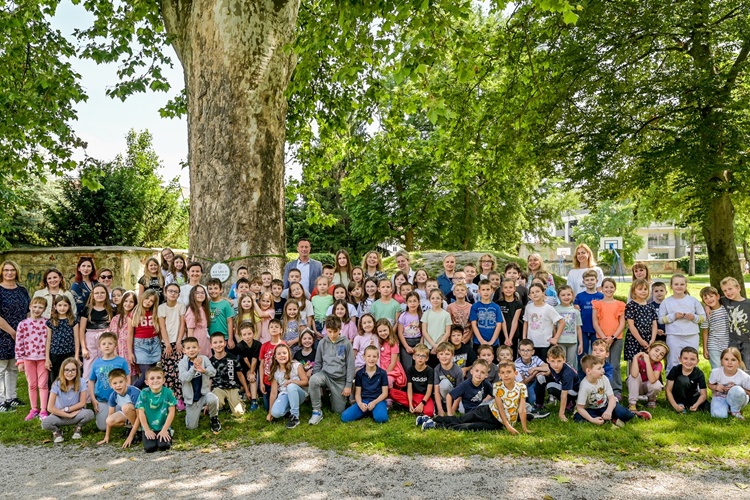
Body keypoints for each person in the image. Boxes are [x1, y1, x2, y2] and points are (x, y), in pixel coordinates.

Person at [420, 361, 531, 433]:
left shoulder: (519, 387)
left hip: (497, 422)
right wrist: (450, 411)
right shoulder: (497, 386)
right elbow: (499, 404)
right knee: (460, 419)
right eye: (477, 371)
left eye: (482, 372)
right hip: (486, 411)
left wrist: (524, 427)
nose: (479, 374)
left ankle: (434, 425)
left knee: (469, 426)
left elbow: (513, 404)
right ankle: (433, 420)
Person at [575, 354, 651, 426]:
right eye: (599, 368)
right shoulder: (584, 386)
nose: (603, 370)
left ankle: (635, 415)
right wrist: (592, 419)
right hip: (592, 409)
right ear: (588, 371)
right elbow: (580, 408)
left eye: (602, 367)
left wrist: (608, 411)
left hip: (607, 405)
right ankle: (611, 419)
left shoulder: (604, 379)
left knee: (623, 414)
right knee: (578, 417)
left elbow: (611, 398)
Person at [308, 316, 355, 424]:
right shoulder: (322, 343)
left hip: (339, 379)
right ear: (326, 329)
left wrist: (348, 385)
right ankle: (316, 411)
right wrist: (316, 382)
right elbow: (318, 362)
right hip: (325, 375)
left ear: (340, 329)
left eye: (335, 331)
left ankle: (333, 396)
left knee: (338, 411)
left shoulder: (346, 343)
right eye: (329, 332)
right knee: (314, 380)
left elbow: (351, 365)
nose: (332, 335)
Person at [0, 259, 30, 411]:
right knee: (1, 367)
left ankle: (11, 397)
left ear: (16, 271)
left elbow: (28, 311)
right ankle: (1, 400)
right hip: (3, 333)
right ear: (2, 272)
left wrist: (26, 331)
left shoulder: (22, 290)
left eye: (12, 270)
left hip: (21, 334)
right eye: (6, 270)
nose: (9, 273)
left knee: (13, 367)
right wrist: (12, 332)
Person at [658, 274, 705, 371]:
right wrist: (673, 316)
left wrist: (693, 317)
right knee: (673, 361)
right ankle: (672, 383)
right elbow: (660, 319)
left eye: (682, 284)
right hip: (674, 336)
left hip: (692, 336)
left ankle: (691, 383)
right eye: (676, 284)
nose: (679, 286)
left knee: (691, 361)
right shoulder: (667, 302)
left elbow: (703, 317)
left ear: (686, 285)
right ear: (671, 286)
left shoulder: (693, 301)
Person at [43, 359, 95, 443]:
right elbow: (50, 407)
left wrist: (68, 410)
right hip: (60, 415)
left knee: (89, 414)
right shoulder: (57, 384)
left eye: (73, 370)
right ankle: (57, 432)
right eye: (66, 370)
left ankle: (78, 427)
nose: (70, 373)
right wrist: (67, 415)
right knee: (45, 423)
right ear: (62, 371)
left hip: (75, 414)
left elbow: (82, 403)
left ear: (77, 371)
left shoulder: (81, 382)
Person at [15, 296, 49, 420]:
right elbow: (19, 342)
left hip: (43, 358)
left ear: (44, 309)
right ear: (30, 307)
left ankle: (44, 410)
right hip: (28, 358)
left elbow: (49, 342)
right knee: (32, 385)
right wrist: (20, 361)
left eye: (40, 307)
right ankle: (34, 409)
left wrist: (48, 358)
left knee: (43, 384)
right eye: (35, 306)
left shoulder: (47, 323)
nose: (37, 309)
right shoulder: (23, 324)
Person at [88, 332, 130, 431]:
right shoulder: (97, 363)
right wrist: (93, 399)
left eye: (110, 344)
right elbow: (91, 381)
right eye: (104, 344)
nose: (107, 346)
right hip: (102, 400)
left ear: (115, 345)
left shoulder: (121, 361)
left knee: (120, 418)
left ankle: (130, 422)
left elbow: (127, 379)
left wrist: (126, 395)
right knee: (102, 427)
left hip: (118, 399)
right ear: (99, 346)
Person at [178, 336, 221, 432]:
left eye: (194, 347)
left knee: (213, 399)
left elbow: (213, 372)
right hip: (192, 399)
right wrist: (193, 368)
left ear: (199, 348)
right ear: (184, 351)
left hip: (204, 394)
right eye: (188, 348)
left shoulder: (204, 359)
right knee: (192, 427)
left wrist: (204, 370)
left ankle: (214, 419)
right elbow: (185, 378)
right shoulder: (182, 363)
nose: (191, 350)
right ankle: (190, 415)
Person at [592, 278, 626, 396]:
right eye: (606, 287)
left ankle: (616, 389)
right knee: (601, 363)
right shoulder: (597, 304)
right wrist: (603, 338)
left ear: (615, 289)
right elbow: (595, 323)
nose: (609, 289)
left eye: (611, 287)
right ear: (601, 289)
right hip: (601, 339)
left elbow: (622, 323)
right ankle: (601, 387)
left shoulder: (620, 305)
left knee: (614, 364)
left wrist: (613, 337)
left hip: (616, 338)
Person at [341, 345, 389, 424]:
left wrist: (374, 402)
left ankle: (375, 410)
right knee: (345, 417)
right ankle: (366, 410)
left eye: (374, 356)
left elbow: (385, 393)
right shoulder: (360, 373)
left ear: (378, 358)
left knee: (381, 419)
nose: (371, 359)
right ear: (364, 357)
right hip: (364, 401)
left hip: (377, 401)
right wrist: (360, 404)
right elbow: (357, 393)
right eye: (368, 356)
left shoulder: (382, 373)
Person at [96, 368, 141, 448]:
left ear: (126, 381)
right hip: (129, 414)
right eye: (115, 383)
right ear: (111, 385)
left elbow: (140, 414)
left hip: (142, 414)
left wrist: (130, 437)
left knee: (125, 407)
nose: (118, 385)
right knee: (109, 420)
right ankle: (131, 428)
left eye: (121, 382)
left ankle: (138, 431)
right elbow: (110, 415)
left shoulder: (134, 392)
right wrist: (107, 436)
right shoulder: (113, 395)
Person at [267, 343, 309, 428]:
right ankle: (288, 410)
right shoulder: (275, 371)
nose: (282, 355)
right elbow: (274, 393)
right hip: (285, 394)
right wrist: (270, 412)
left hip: (298, 393)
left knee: (291, 386)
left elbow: (305, 382)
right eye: (279, 354)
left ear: (289, 354)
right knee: (276, 413)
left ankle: (295, 417)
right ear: (275, 357)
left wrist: (292, 381)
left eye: (284, 353)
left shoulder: (296, 365)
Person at [158, 283, 186, 409]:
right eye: (170, 291)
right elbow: (162, 327)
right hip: (166, 343)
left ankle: (180, 398)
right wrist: (167, 344)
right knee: (168, 372)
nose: (173, 293)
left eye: (175, 291)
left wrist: (179, 342)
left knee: (179, 370)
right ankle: (169, 398)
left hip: (179, 342)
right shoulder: (161, 308)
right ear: (165, 292)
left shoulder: (181, 307)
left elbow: (182, 325)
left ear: (179, 294)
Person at [136, 366, 177, 452]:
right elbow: (141, 413)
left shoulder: (168, 392)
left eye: (158, 377)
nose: (155, 380)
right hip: (149, 427)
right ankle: (147, 435)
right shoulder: (144, 393)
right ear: (146, 382)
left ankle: (169, 432)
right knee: (150, 448)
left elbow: (171, 412)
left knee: (164, 446)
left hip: (163, 426)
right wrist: (146, 430)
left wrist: (165, 429)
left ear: (163, 380)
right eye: (152, 378)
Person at [534, 345, 580, 421]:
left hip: (573, 391)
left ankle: (570, 404)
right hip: (561, 383)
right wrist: (547, 374)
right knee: (540, 377)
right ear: (548, 360)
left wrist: (561, 414)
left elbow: (564, 394)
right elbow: (551, 369)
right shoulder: (551, 365)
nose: (556, 364)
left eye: (559, 361)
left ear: (564, 360)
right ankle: (539, 405)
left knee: (551, 386)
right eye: (553, 361)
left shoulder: (567, 374)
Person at [79, 284, 113, 381]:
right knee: (89, 367)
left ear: (106, 294)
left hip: (106, 337)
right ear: (92, 295)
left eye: (102, 292)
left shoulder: (111, 309)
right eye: (96, 293)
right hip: (90, 337)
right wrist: (84, 348)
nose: (99, 295)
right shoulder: (87, 309)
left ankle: (104, 393)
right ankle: (88, 395)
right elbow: (81, 329)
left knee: (106, 366)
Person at [210, 333, 250, 416]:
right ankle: (222, 403)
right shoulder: (210, 362)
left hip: (232, 387)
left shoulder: (232, 358)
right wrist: (208, 397)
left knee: (239, 413)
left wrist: (247, 390)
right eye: (215, 342)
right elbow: (209, 379)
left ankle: (236, 400)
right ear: (211, 345)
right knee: (217, 404)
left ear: (225, 343)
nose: (218, 345)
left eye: (220, 342)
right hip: (218, 388)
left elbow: (240, 375)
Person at [390, 343, 435, 417]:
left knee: (429, 413)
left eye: (423, 356)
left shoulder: (429, 370)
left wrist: (422, 403)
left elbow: (429, 390)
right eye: (418, 355)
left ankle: (420, 407)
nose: (420, 358)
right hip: (413, 396)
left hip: (424, 397)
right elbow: (409, 388)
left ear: (427, 358)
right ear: (413, 357)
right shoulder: (410, 370)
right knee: (392, 392)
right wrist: (410, 404)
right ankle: (414, 406)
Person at [128, 290, 161, 388]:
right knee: (147, 375)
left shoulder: (155, 313)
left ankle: (146, 399)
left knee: (152, 376)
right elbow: (130, 334)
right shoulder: (134, 313)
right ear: (142, 297)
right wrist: (130, 352)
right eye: (147, 298)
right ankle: (130, 393)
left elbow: (159, 330)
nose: (148, 301)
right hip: (140, 345)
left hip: (154, 344)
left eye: (151, 301)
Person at [523, 282, 564, 363]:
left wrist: (555, 338)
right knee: (532, 366)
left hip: (545, 344)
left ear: (543, 293)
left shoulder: (549, 308)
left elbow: (562, 322)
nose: (535, 294)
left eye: (537, 291)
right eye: (532, 292)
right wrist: (524, 338)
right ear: (529, 296)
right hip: (531, 344)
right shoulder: (528, 307)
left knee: (544, 367)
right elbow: (526, 322)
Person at [46, 296, 80, 389]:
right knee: (55, 377)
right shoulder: (51, 322)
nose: (62, 308)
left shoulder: (73, 321)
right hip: (55, 354)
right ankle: (54, 399)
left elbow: (77, 339)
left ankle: (70, 396)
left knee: (69, 375)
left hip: (69, 353)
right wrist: (47, 358)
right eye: (59, 305)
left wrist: (76, 356)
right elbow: (48, 340)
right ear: (55, 306)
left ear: (69, 306)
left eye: (65, 305)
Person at [624, 279, 659, 368]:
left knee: (647, 363)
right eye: (640, 289)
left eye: (645, 289)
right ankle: (633, 380)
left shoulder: (650, 306)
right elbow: (631, 325)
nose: (643, 291)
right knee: (635, 363)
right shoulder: (631, 306)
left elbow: (654, 324)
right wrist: (640, 340)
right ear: (633, 291)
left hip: (648, 339)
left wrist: (652, 339)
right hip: (635, 339)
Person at [708, 347, 750, 419]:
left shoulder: (744, 377)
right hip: (720, 397)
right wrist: (716, 387)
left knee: (737, 390)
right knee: (718, 416)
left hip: (737, 398)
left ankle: (735, 410)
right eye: (726, 359)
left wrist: (737, 387)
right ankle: (726, 408)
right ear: (721, 361)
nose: (729, 362)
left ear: (739, 362)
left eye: (733, 360)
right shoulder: (716, 372)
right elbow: (709, 384)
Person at [626, 341, 668, 411]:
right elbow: (634, 374)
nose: (657, 354)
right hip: (635, 386)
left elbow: (652, 380)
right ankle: (632, 403)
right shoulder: (639, 358)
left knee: (657, 384)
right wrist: (635, 357)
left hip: (647, 386)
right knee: (633, 377)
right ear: (649, 349)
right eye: (656, 350)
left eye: (661, 354)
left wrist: (648, 362)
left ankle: (651, 400)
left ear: (662, 358)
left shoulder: (658, 365)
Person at [665, 347, 709, 413]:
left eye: (692, 359)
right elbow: (668, 390)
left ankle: (689, 405)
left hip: (691, 395)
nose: (689, 362)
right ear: (680, 359)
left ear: (697, 361)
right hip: (677, 396)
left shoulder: (699, 373)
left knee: (707, 406)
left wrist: (696, 404)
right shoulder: (675, 370)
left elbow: (703, 394)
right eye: (685, 358)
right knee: (683, 379)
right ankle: (680, 404)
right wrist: (675, 405)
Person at [719, 276, 750, 369]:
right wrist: (707, 307)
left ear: (738, 288)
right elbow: (712, 302)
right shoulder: (724, 301)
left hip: (747, 341)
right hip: (732, 341)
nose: (728, 292)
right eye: (725, 290)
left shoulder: (748, 304)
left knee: (747, 365)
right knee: (732, 365)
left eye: (730, 289)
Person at [573, 270, 603, 360]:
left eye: (592, 279)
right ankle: (582, 373)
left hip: (597, 329)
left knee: (597, 354)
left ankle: (596, 372)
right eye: (587, 280)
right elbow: (575, 308)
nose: (590, 282)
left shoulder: (601, 296)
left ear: (597, 281)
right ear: (583, 282)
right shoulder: (579, 296)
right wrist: (575, 307)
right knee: (582, 354)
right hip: (583, 329)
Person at [700, 286, 730, 369]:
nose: (709, 299)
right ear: (703, 301)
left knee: (728, 368)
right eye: (705, 298)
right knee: (717, 369)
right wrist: (705, 349)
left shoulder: (726, 308)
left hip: (728, 344)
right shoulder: (706, 314)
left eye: (711, 296)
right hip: (713, 345)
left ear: (717, 296)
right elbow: (705, 331)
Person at [259, 319, 286, 409]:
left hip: (280, 382)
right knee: (268, 408)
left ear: (281, 330)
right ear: (268, 330)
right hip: (267, 381)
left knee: (279, 407)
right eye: (271, 327)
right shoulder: (264, 345)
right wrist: (261, 383)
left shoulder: (283, 345)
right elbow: (261, 365)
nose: (274, 329)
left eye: (276, 327)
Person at [515, 339, 548, 411]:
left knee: (541, 376)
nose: (525, 353)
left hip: (534, 383)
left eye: (528, 350)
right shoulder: (517, 364)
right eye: (523, 350)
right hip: (524, 385)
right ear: (519, 352)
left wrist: (535, 369)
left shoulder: (535, 359)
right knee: (531, 401)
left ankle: (540, 403)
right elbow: (523, 382)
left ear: (533, 352)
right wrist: (535, 373)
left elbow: (548, 367)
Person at [555, 285, 583, 371]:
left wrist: (581, 343)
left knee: (570, 364)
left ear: (572, 296)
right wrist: (555, 339)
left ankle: (571, 381)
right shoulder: (556, 309)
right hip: (560, 341)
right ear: (558, 296)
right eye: (563, 295)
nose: (566, 297)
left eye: (568, 294)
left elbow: (578, 328)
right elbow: (554, 326)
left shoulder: (575, 311)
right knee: (561, 362)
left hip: (572, 342)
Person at [235, 321, 261, 410]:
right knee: (245, 382)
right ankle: (244, 392)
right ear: (241, 335)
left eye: (249, 334)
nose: (247, 337)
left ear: (254, 333)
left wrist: (252, 372)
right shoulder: (239, 346)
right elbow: (245, 359)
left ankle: (254, 401)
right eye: (244, 334)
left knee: (252, 378)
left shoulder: (258, 344)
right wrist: (249, 371)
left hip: (255, 365)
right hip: (244, 366)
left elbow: (254, 359)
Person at [470, 279, 504, 350]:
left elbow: (499, 325)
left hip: (494, 342)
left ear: (492, 290)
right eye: (483, 290)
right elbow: (474, 324)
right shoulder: (475, 306)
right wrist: (481, 341)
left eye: (488, 289)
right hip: (478, 342)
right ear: (479, 291)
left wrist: (492, 341)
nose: (486, 292)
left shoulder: (496, 307)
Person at [433, 342, 465, 416]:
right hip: (443, 396)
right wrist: (440, 410)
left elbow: (460, 391)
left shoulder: (458, 370)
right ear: (437, 356)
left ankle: (453, 406)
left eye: (447, 354)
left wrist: (453, 409)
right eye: (441, 354)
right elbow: (436, 391)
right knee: (444, 383)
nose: (444, 357)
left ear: (452, 356)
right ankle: (444, 405)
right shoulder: (437, 369)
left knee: (463, 411)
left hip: (456, 396)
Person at [421, 289, 452, 362]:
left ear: (442, 300)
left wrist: (438, 346)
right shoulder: (426, 314)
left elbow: (447, 332)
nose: (435, 300)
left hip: (442, 347)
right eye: (433, 298)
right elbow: (424, 331)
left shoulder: (446, 315)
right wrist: (433, 345)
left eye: (438, 298)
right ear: (429, 300)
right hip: (428, 347)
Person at [376, 319, 406, 389]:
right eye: (380, 331)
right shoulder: (379, 342)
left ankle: (391, 395)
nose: (383, 333)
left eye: (385, 330)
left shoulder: (393, 343)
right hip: (381, 367)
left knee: (388, 380)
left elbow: (393, 362)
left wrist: (385, 374)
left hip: (391, 368)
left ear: (389, 329)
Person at [207, 278, 236, 350]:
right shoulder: (207, 304)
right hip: (211, 339)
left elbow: (230, 322)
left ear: (221, 290)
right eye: (210, 289)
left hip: (224, 338)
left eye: (216, 288)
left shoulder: (225, 303)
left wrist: (230, 339)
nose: (213, 291)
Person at [397, 292, 423, 372]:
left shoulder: (422, 315)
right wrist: (406, 347)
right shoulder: (403, 316)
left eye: (415, 301)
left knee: (419, 365)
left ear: (419, 302)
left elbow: (424, 332)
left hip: (418, 341)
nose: (412, 304)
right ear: (406, 303)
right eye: (410, 301)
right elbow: (400, 332)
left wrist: (420, 345)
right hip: (406, 342)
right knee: (407, 366)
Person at [184, 285, 211, 357]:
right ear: (193, 295)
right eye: (197, 293)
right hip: (197, 341)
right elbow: (190, 332)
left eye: (202, 293)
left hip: (205, 339)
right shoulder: (191, 310)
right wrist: (191, 348)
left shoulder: (203, 308)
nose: (200, 295)